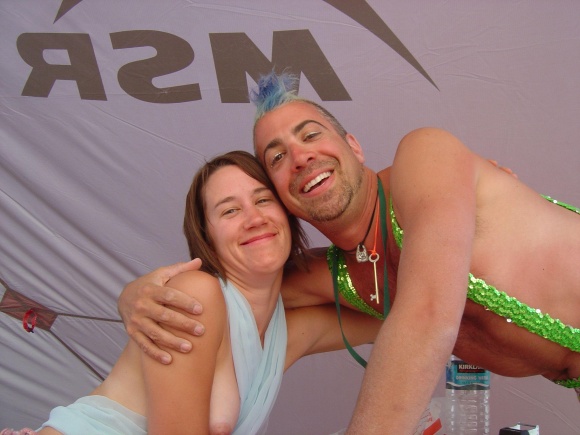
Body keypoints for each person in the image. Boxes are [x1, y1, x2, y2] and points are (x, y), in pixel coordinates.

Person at [118, 72, 580, 434]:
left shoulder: (424, 156)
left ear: (353, 146)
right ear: (280, 198)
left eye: (310, 135)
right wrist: (133, 295)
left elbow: (427, 314)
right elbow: (225, 287)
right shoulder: (341, 278)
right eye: (277, 158)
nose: (300, 157)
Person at [2, 151, 380, 435]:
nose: (254, 218)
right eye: (229, 211)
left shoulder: (283, 333)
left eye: (263, 200)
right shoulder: (196, 294)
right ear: (207, 238)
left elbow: (395, 316)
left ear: (287, 215)